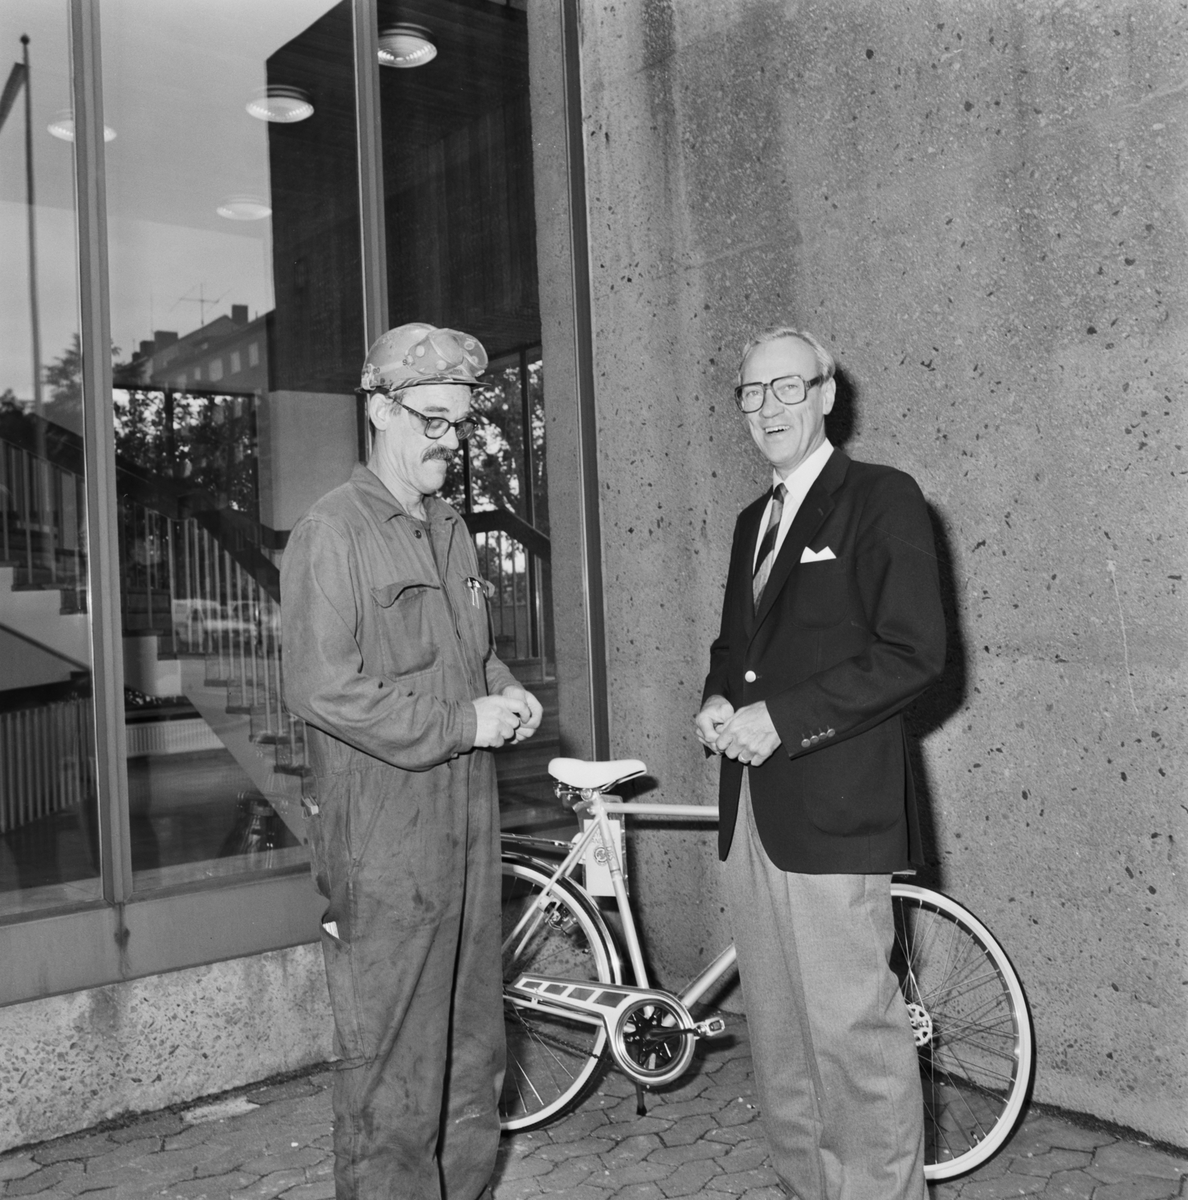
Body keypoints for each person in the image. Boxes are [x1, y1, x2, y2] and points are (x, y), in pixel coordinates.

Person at [281, 322, 542, 1200]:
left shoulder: (450, 528)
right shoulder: (332, 532)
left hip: (466, 829)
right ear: (379, 410)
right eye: (433, 419)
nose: (450, 440)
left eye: (461, 422)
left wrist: (503, 687)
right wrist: (464, 722)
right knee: (392, 1078)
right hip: (385, 845)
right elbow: (323, 688)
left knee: (472, 1057)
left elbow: (471, 654)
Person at [695, 327, 946, 1200]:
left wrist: (783, 719)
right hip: (752, 814)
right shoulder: (750, 522)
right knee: (781, 1044)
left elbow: (915, 653)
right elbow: (737, 649)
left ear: (828, 394)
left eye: (787, 388)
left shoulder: (882, 497)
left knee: (852, 1043)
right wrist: (718, 698)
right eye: (752, 393)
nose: (768, 408)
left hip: (835, 814)